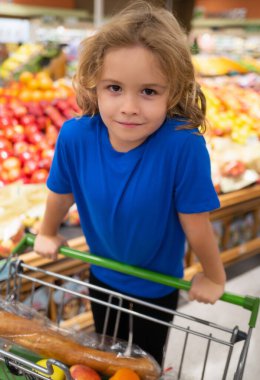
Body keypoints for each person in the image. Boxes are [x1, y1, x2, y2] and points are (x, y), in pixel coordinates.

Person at [34, 0, 226, 367]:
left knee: (146, 365)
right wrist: (47, 231)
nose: (129, 107)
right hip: (101, 275)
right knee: (106, 360)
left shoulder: (182, 145)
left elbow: (195, 221)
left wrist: (214, 275)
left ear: (175, 90)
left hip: (157, 286)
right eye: (114, 88)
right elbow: (62, 192)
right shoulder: (75, 136)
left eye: (149, 92)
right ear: (94, 83)